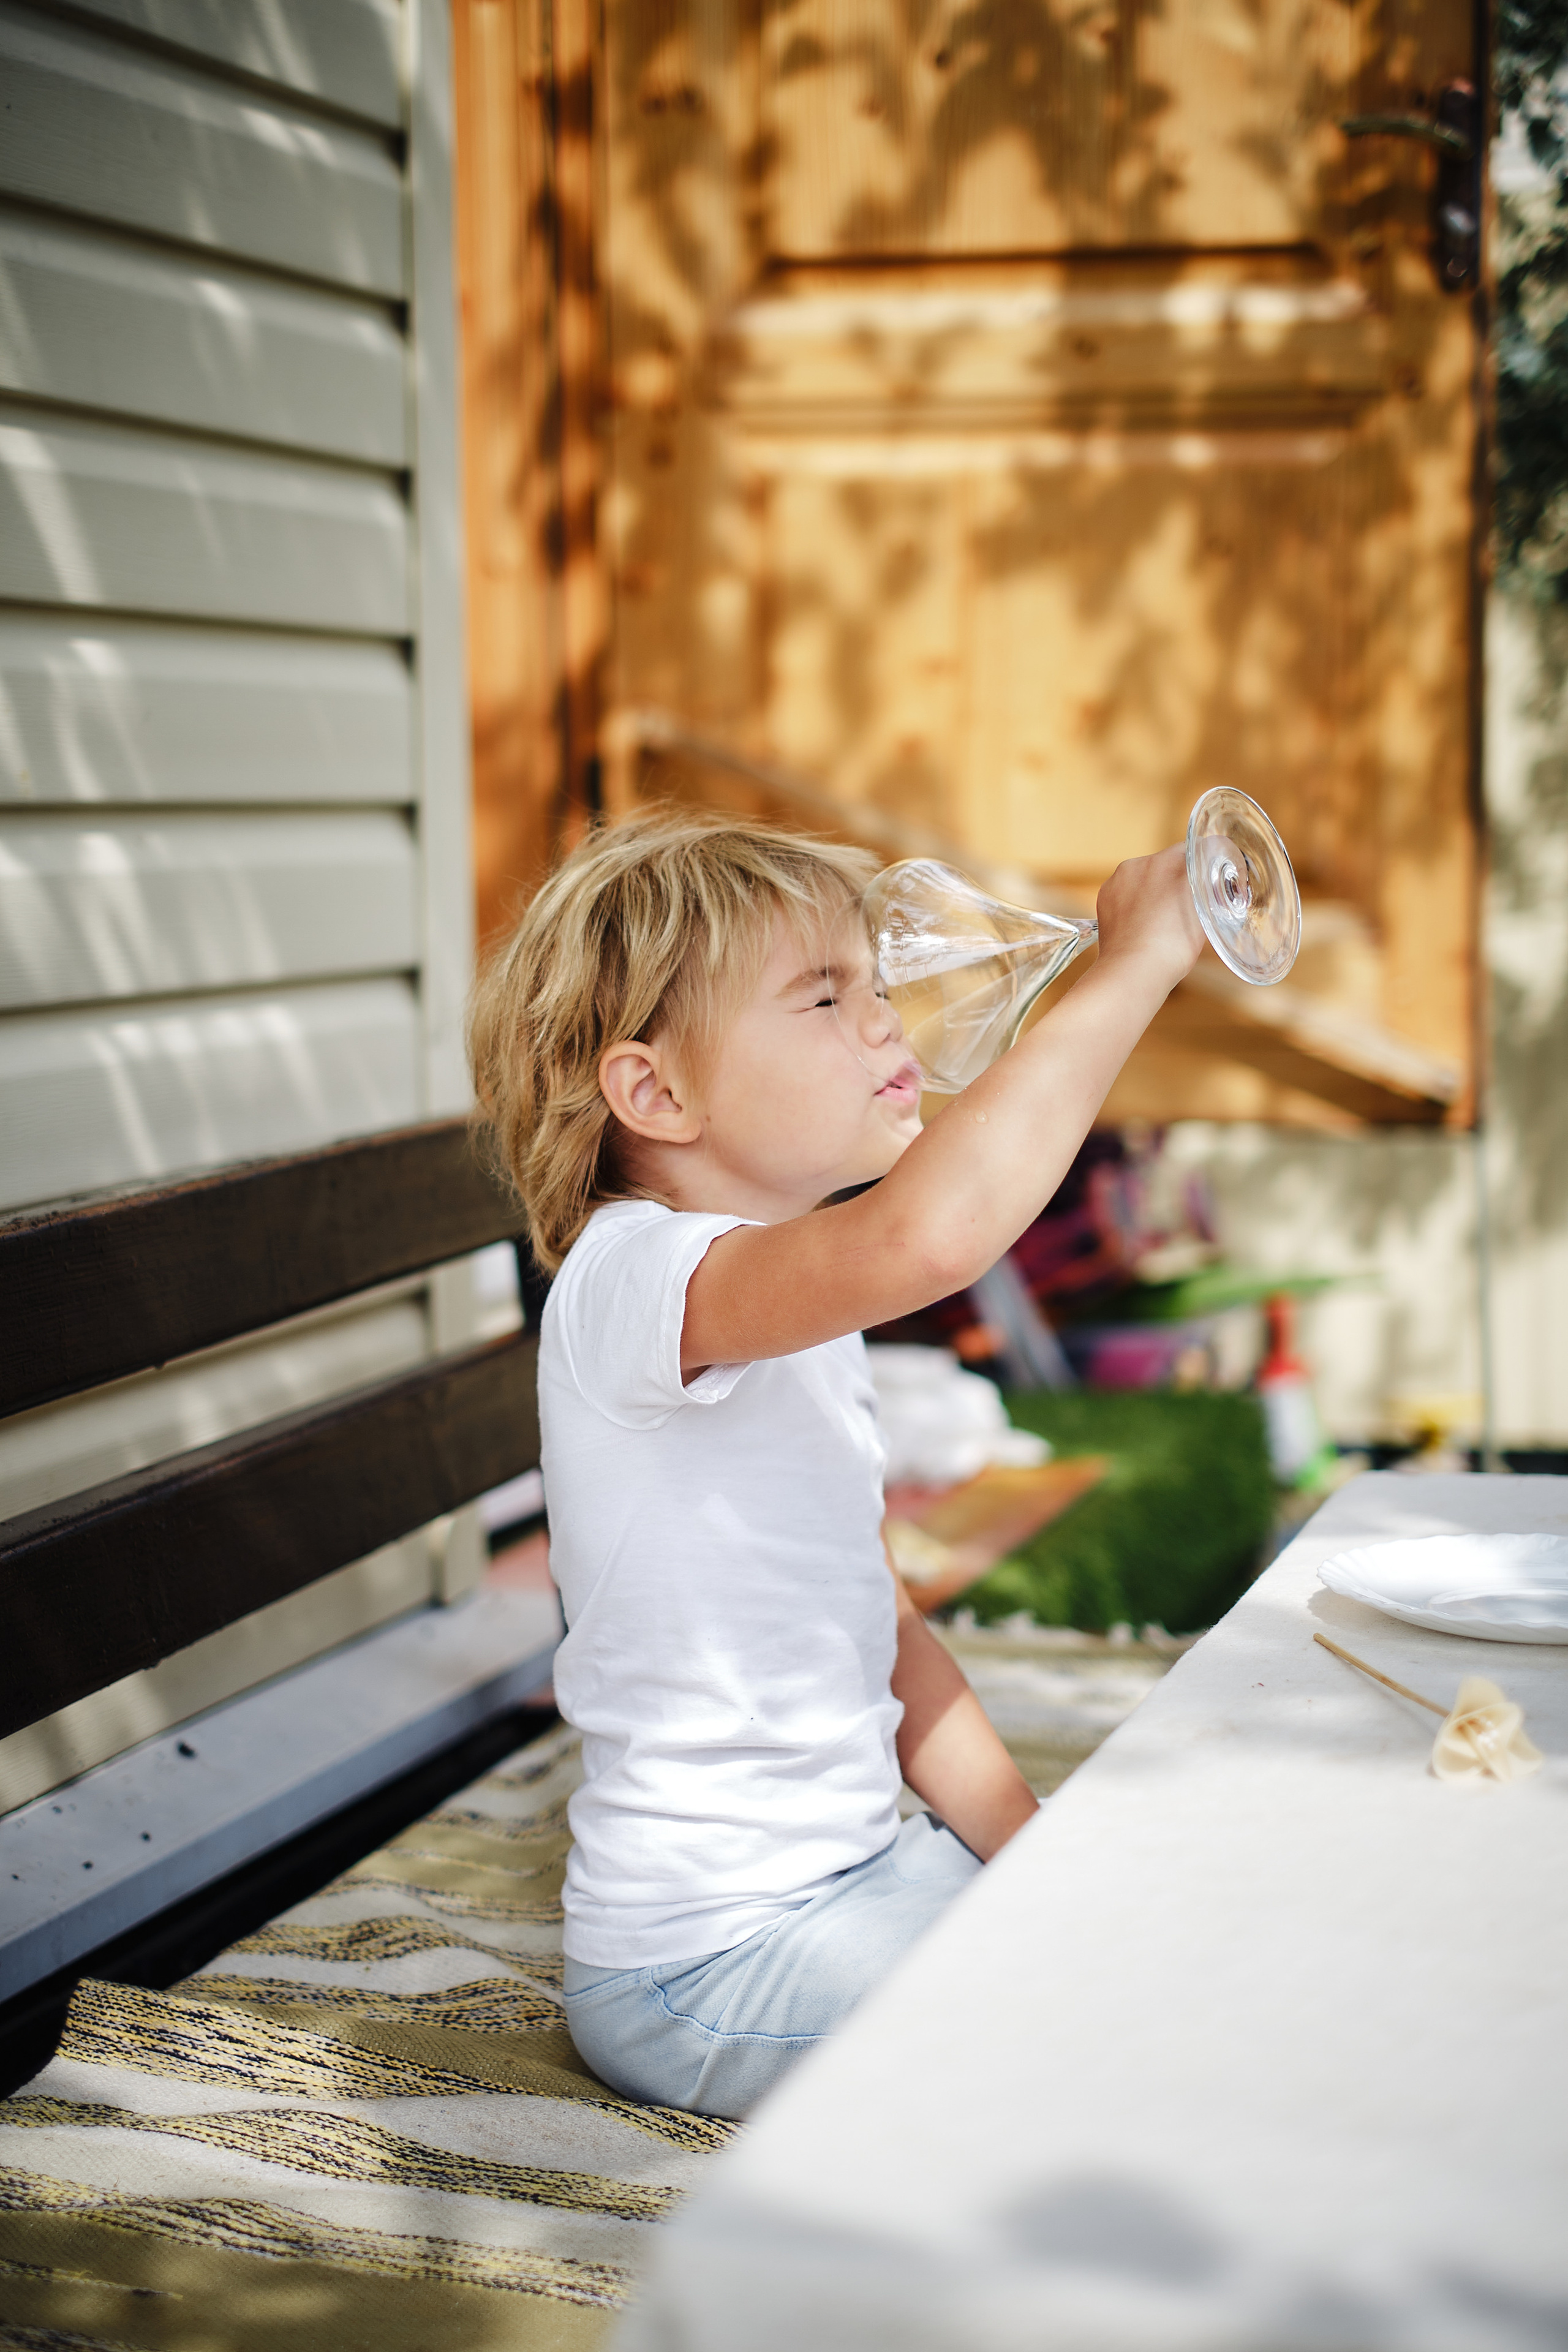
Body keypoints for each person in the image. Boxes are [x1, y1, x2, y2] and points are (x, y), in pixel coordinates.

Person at [468, 809, 1204, 2118]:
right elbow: (930, 1238)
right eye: (822, 996)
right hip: (711, 1964)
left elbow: (880, 1624)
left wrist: (1033, 1856)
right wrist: (1131, 964)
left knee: (1178, 1928)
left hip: (869, 1883)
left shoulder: (790, 1315)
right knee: (1140, 2044)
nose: (885, 1020)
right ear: (654, 1094)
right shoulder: (629, 1280)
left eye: (876, 982)